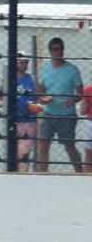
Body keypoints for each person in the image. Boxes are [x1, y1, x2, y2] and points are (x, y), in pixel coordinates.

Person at [35, 37, 83, 173]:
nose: (58, 52)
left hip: (66, 115)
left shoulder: (72, 70)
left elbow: (80, 93)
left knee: (69, 146)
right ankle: (41, 175)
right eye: (55, 49)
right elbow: (40, 91)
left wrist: (73, 100)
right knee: (43, 145)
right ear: (50, 52)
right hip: (48, 113)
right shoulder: (44, 69)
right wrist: (44, 99)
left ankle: (80, 173)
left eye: (61, 49)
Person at [0, 53, 39, 171]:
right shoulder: (8, 80)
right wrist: (2, 103)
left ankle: (22, 176)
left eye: (26, 62)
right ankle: (15, 176)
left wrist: (38, 105)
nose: (25, 65)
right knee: (13, 153)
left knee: (24, 153)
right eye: (22, 62)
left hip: (28, 121)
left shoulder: (32, 79)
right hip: (12, 121)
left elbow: (39, 98)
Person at [81, 76, 92, 172]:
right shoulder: (88, 90)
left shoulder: (88, 90)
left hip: (91, 123)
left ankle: (87, 177)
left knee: (89, 154)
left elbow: (83, 111)